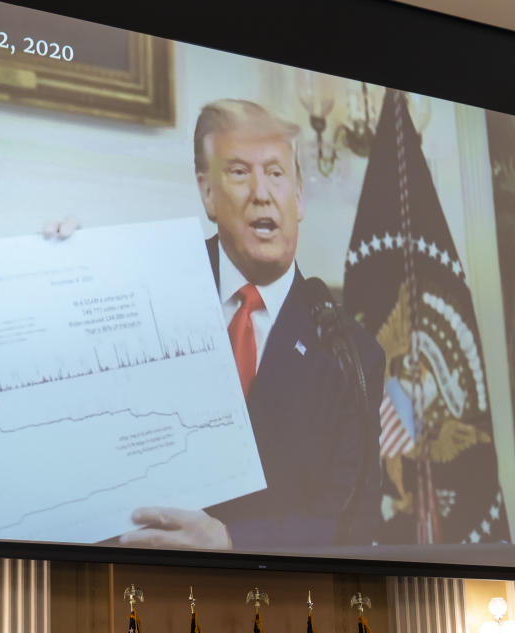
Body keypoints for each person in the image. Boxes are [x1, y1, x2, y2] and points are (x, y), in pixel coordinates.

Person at [114, 99, 385, 551]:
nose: (262, 193)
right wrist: (60, 265)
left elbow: (351, 521)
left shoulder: (350, 354)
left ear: (298, 198)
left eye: (276, 174)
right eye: (239, 172)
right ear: (207, 194)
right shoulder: (143, 293)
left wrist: (232, 540)